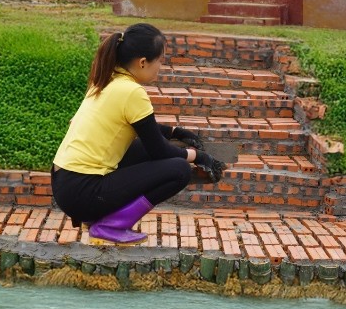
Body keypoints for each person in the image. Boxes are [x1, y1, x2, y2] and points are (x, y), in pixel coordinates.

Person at [51, 23, 226, 245]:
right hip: (84, 191)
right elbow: (159, 149)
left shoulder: (108, 80)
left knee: (143, 148)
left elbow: (144, 128)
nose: (161, 67)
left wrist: (176, 132)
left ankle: (98, 217)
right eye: (160, 61)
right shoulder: (132, 91)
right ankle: (110, 225)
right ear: (143, 62)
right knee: (179, 169)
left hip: (66, 184)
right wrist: (199, 156)